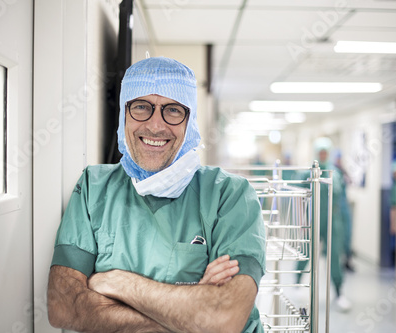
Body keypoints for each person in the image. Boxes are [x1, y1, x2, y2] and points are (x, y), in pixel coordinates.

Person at [47, 56, 266, 333]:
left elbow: (223, 319)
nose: (155, 125)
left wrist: (119, 283)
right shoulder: (93, 187)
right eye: (141, 107)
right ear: (123, 114)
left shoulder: (230, 195)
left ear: (190, 121)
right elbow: (63, 307)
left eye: (173, 110)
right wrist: (188, 313)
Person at [294, 137, 352, 312]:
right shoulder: (308, 174)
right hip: (313, 220)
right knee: (306, 251)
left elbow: (342, 201)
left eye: (326, 152)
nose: (323, 155)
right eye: (320, 152)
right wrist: (301, 220)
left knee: (334, 255)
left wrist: (345, 226)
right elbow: (299, 199)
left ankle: (339, 291)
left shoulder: (335, 173)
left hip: (333, 222)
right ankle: (296, 283)